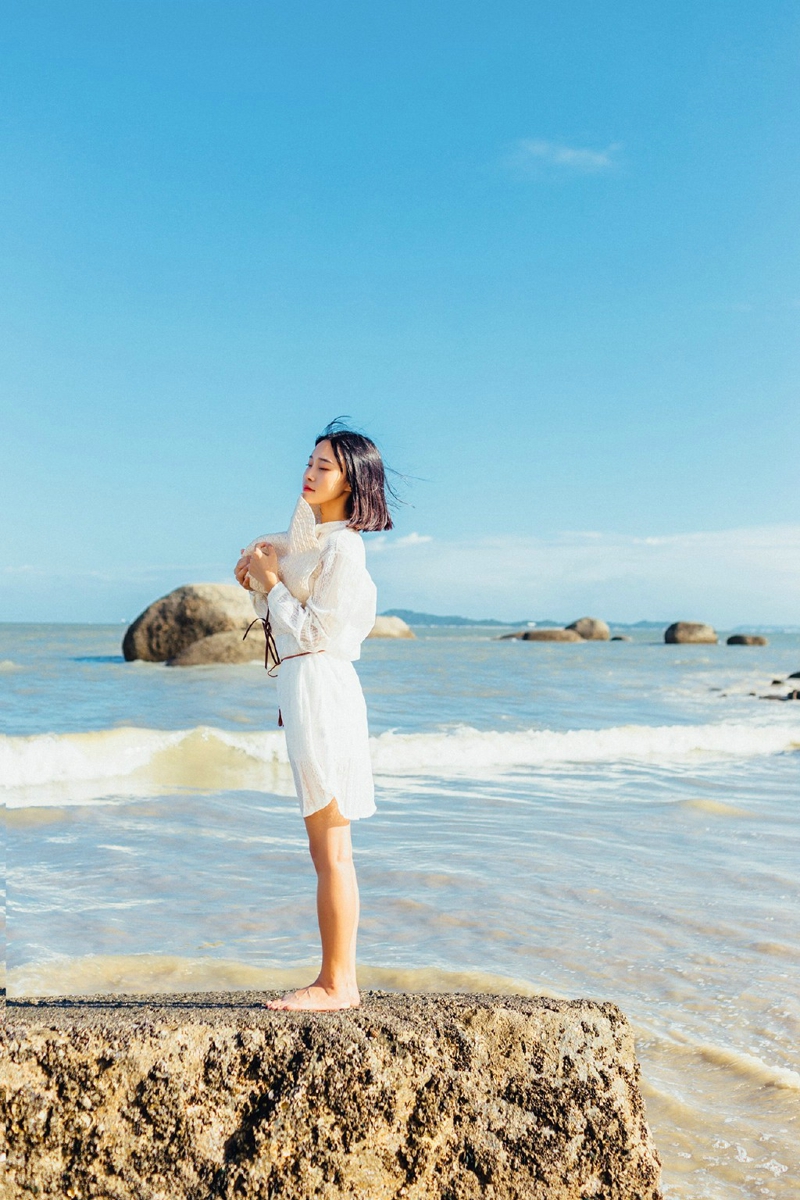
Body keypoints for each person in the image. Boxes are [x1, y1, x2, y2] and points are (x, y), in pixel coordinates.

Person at [233, 420, 393, 1010]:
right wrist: (259, 577)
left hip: (323, 688)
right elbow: (285, 598)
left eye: (324, 467)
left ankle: (337, 983)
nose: (309, 472)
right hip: (304, 690)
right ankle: (336, 978)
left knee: (333, 849)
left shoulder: (346, 548)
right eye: (309, 461)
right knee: (324, 848)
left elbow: (316, 633)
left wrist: (272, 583)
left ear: (351, 482)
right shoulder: (313, 535)